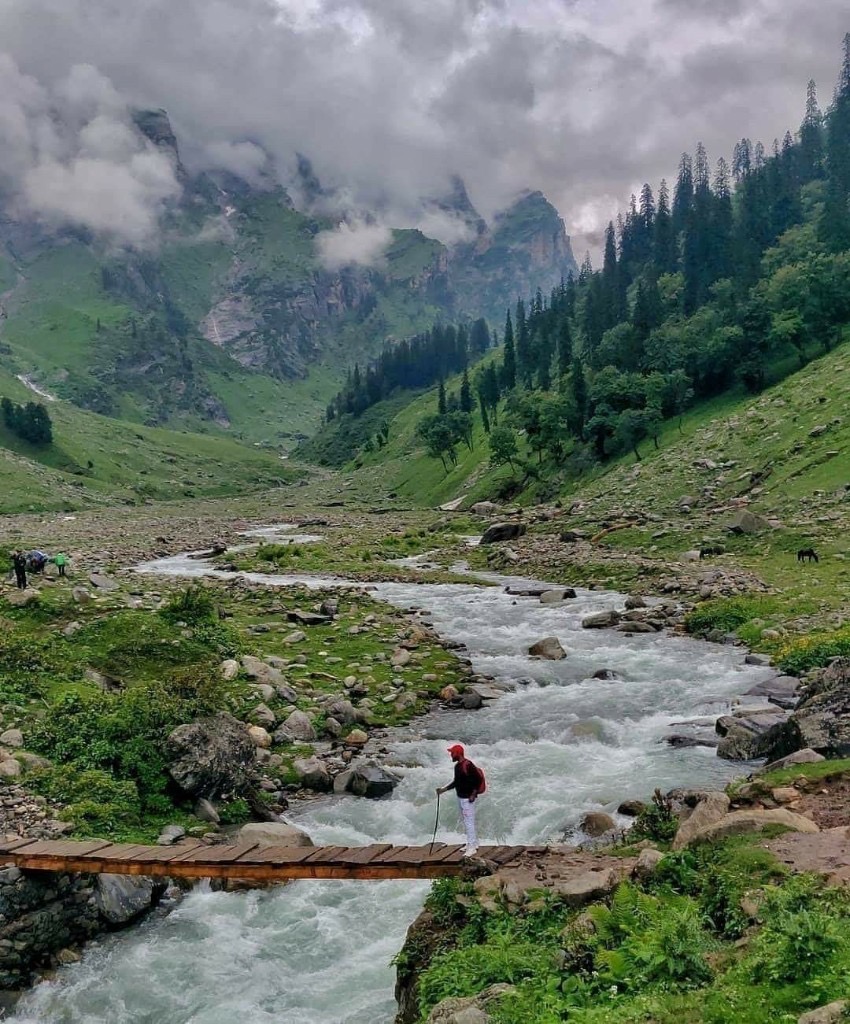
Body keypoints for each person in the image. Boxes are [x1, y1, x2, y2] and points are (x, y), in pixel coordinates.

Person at [436, 744, 485, 857]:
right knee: (466, 821)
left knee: (469, 822)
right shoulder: (457, 766)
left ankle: (472, 848)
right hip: (461, 797)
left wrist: (473, 794)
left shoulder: (468, 765)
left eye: (452, 753)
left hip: (468, 799)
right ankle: (473, 843)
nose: (451, 755)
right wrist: (443, 790)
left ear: (458, 754)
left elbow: (478, 779)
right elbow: (456, 782)